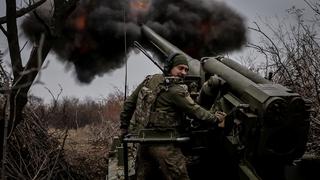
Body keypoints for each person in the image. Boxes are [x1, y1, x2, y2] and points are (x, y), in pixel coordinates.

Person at [120, 53, 226, 180]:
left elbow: (130, 103)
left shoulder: (149, 80)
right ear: (170, 67)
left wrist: (124, 127)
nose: (183, 72)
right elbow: (196, 111)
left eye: (186, 70)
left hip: (144, 142)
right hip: (165, 144)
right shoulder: (176, 90)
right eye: (180, 68)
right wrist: (216, 118)